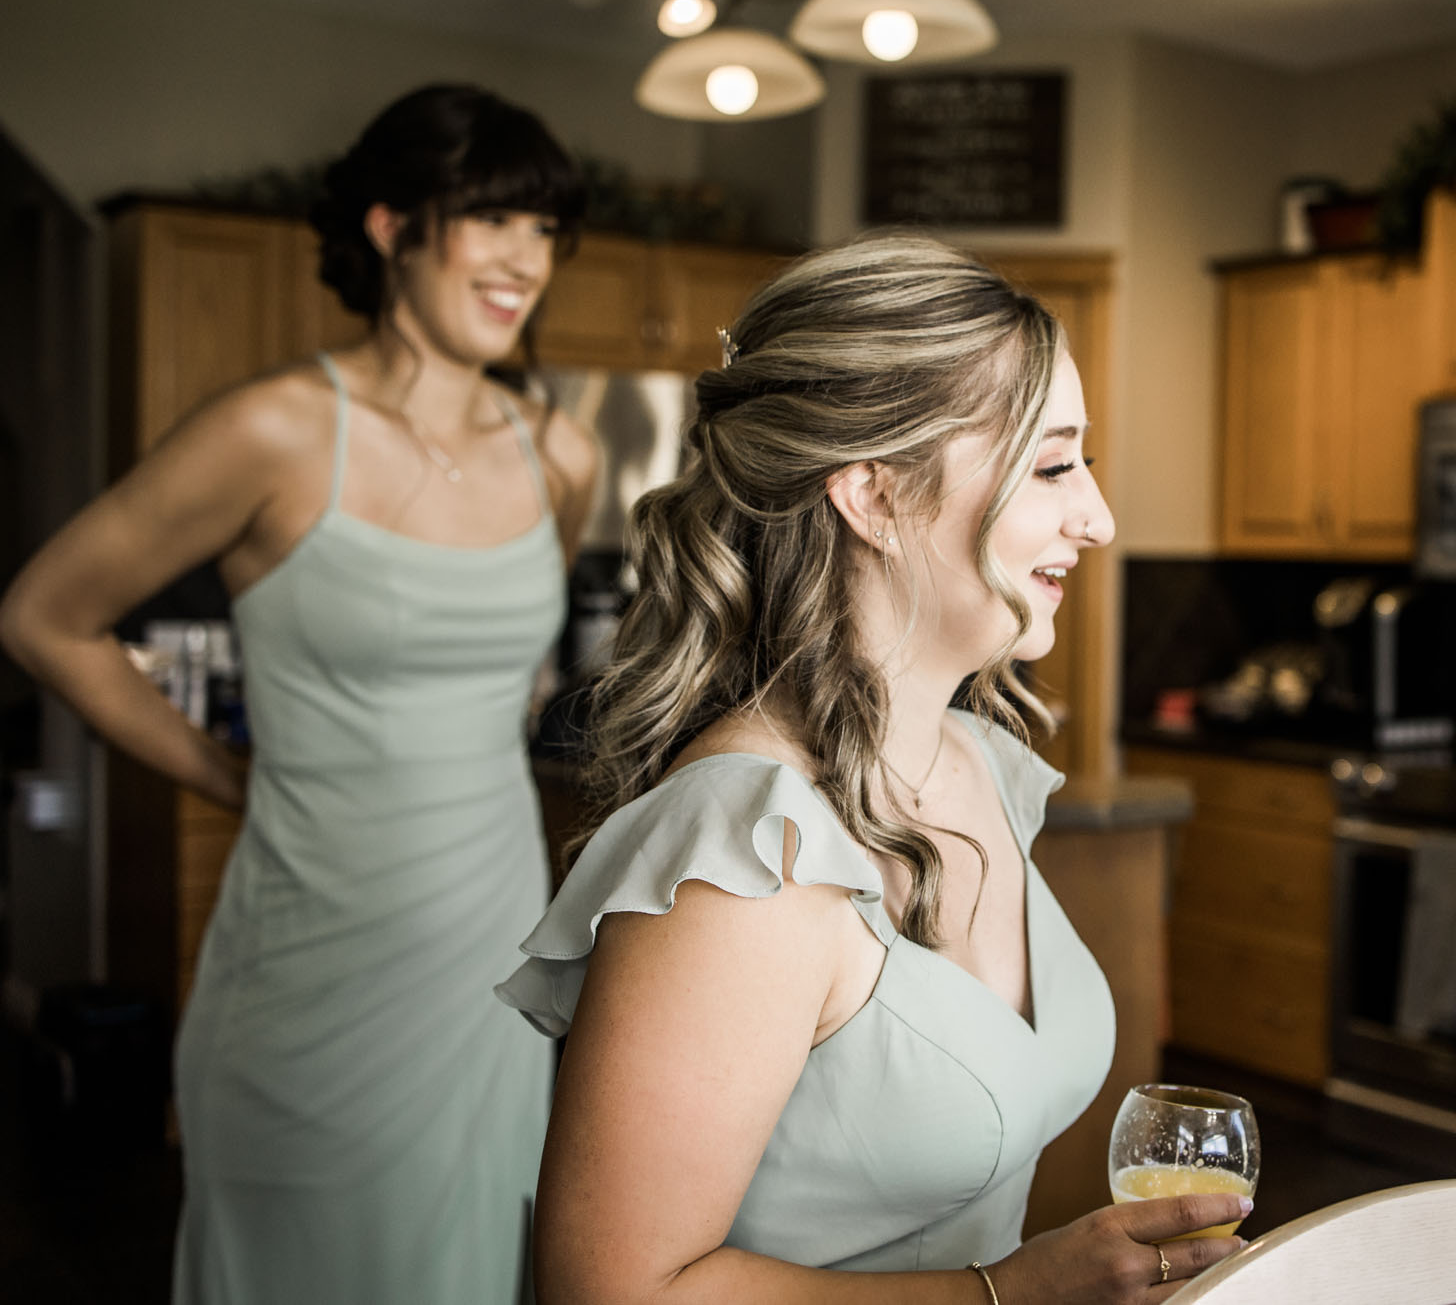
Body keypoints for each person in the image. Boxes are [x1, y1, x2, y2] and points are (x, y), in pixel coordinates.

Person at [495, 234, 1248, 1304]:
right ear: (871, 495)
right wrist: (1006, 1293)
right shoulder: (751, 859)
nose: (1098, 515)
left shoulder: (981, 766)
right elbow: (617, 1291)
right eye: (1050, 465)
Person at [0, 83, 601, 1302]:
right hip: (307, 962)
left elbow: (514, 679)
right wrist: (226, 773)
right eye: (492, 219)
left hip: (490, 960)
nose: (523, 260)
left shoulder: (560, 454)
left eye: (543, 231)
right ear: (390, 227)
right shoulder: (273, 430)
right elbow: (42, 618)